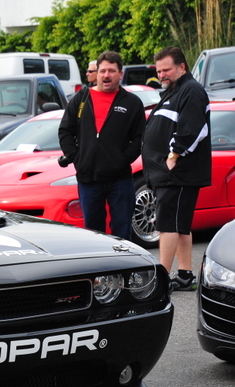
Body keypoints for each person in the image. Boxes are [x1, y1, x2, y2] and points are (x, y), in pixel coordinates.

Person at [142, 46, 211, 291]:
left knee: (168, 226)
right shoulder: (175, 90)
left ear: (182, 67)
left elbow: (194, 129)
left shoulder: (191, 90)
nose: (161, 75)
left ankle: (161, 281)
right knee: (179, 226)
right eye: (159, 71)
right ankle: (185, 275)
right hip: (170, 174)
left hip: (177, 173)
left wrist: (173, 156)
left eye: (166, 70)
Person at [58, 51, 145, 240]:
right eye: (103, 71)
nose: (106, 75)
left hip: (120, 179)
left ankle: (123, 261)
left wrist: (122, 160)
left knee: (122, 231)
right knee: (93, 233)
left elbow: (140, 138)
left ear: (120, 74)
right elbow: (65, 131)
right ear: (97, 73)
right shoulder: (81, 98)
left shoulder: (132, 102)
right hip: (88, 178)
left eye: (111, 71)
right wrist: (77, 158)